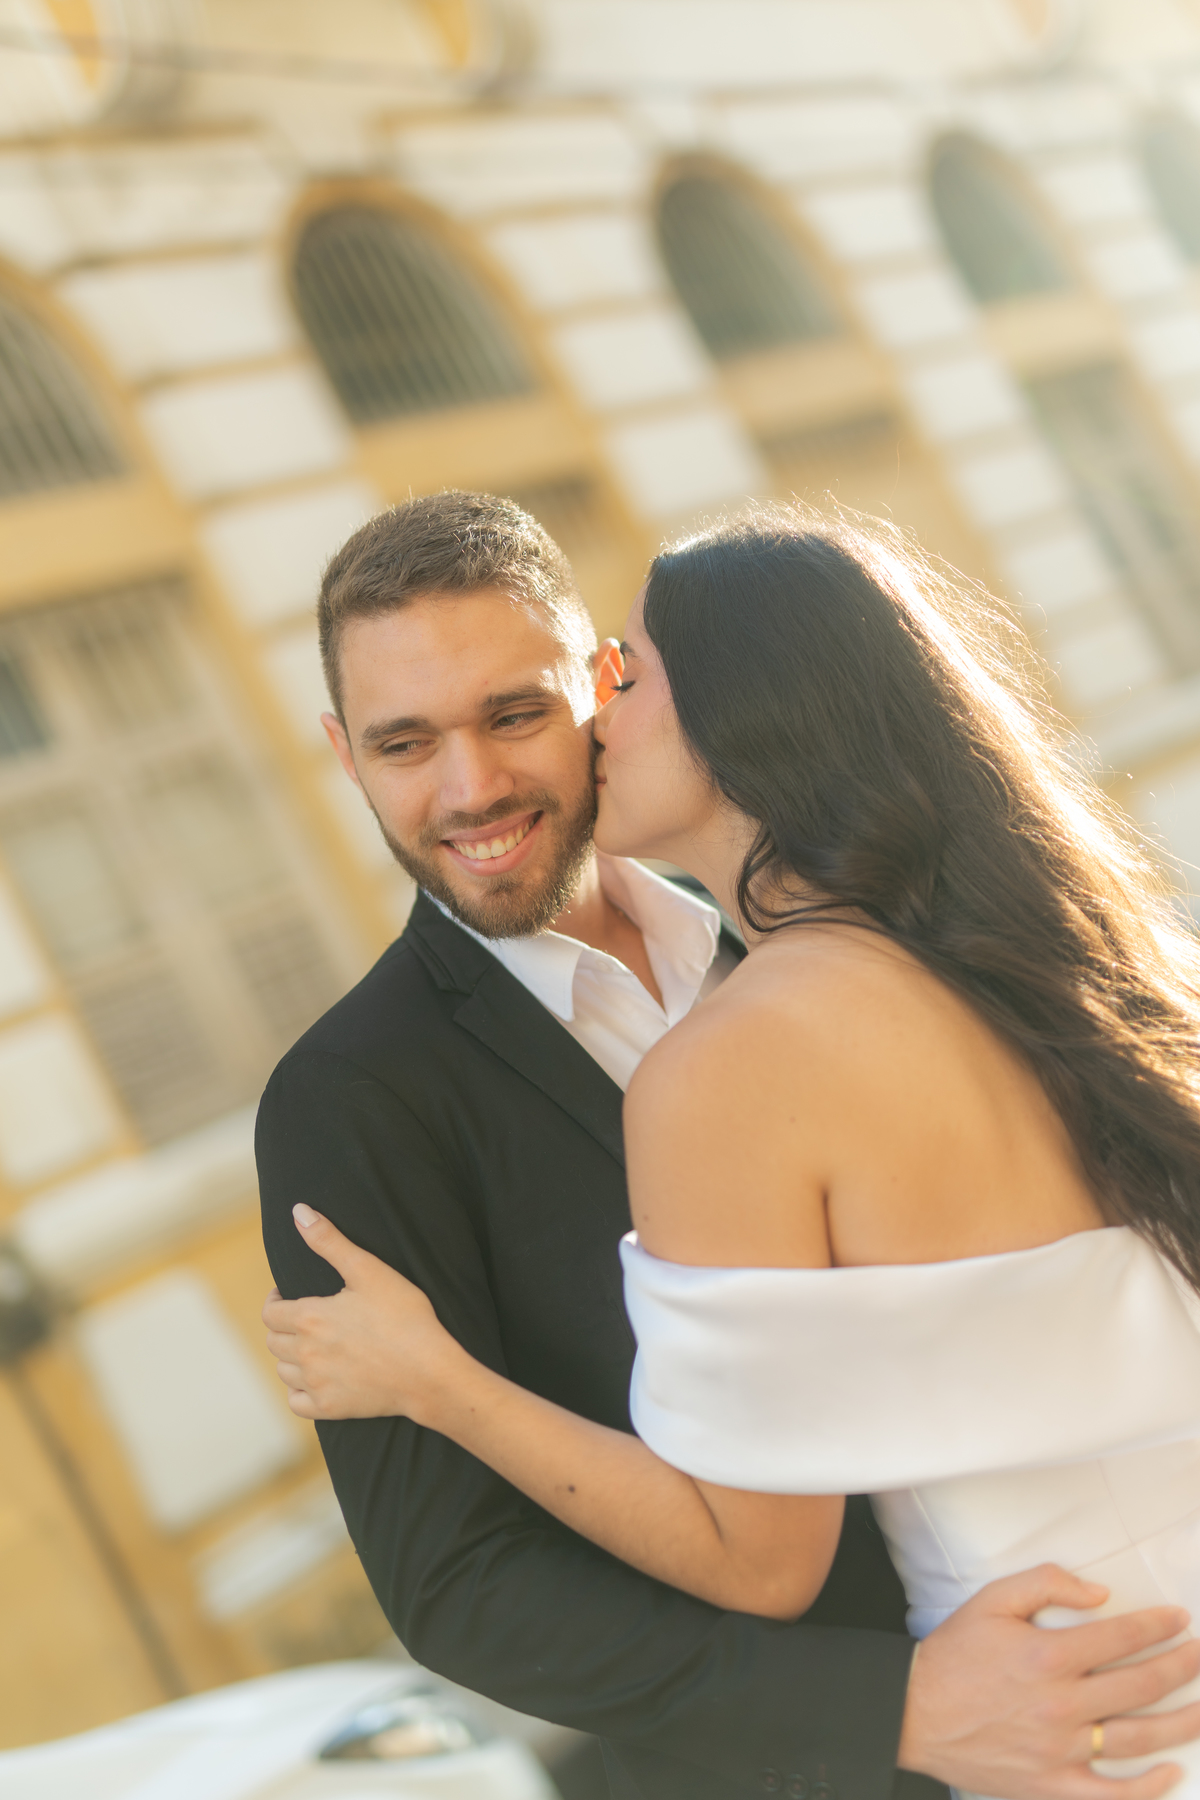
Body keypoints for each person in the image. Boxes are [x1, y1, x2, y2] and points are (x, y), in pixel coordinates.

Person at [258, 491, 1200, 1800]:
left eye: (514, 715)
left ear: (600, 693)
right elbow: (456, 1591)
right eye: (405, 742)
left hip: (1106, 1692)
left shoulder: (832, 952)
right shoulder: (349, 1098)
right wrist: (894, 1714)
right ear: (344, 752)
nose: (469, 788)